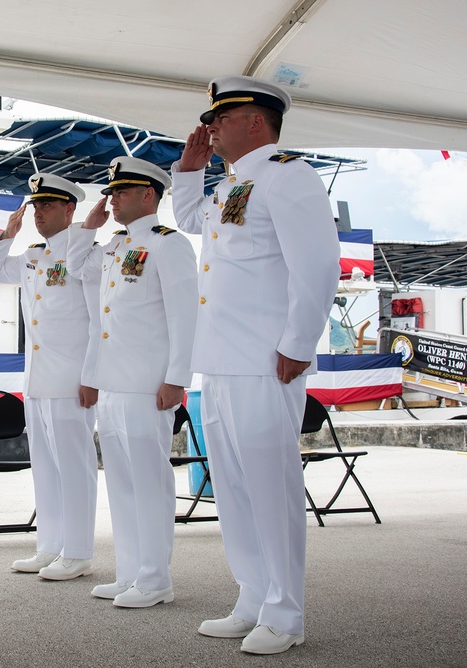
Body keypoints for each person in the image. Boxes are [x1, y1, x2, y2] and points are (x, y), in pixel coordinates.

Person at [171, 76, 340, 654]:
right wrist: (189, 170)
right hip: (218, 364)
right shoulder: (228, 188)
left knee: (272, 489)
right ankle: (252, 597)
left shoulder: (288, 174)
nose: (211, 127)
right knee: (236, 492)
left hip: (268, 363)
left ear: (256, 122)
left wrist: (299, 342)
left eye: (222, 117)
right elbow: (191, 221)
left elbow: (317, 264)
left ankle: (285, 614)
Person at [67, 156, 197, 608]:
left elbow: (185, 314)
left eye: (121, 191)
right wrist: (89, 225)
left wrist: (177, 378)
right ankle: (130, 574)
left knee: (149, 482)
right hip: (113, 384)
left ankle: (156, 579)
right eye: (112, 190)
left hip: (147, 385)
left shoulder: (169, 244)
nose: (112, 197)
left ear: (148, 195)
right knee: (121, 484)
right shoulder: (114, 246)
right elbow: (74, 269)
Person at [0, 173, 101, 581]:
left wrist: (91, 376)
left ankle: (79, 552)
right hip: (37, 381)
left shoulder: (86, 255)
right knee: (46, 468)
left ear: (70, 209)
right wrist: (7, 233)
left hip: (72, 381)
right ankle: (50, 546)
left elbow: (98, 321)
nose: (38, 213)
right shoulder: (33, 256)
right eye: (35, 206)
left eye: (48, 205)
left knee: (75, 466)